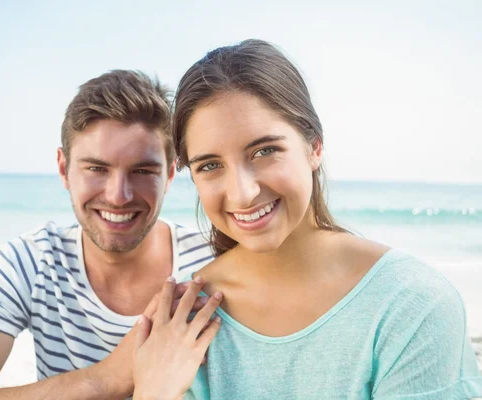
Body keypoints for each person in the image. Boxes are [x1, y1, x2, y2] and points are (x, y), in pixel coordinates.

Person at [131, 40, 482, 399]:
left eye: (265, 151)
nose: (242, 193)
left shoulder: (412, 305)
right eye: (210, 166)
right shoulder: (182, 320)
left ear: (314, 145)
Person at [0, 70, 222, 400]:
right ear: (63, 168)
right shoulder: (32, 262)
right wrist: (101, 379)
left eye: (142, 171)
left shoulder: (211, 264)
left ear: (170, 174)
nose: (118, 195)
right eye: (97, 168)